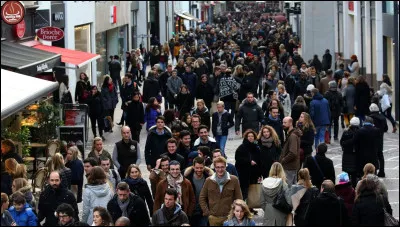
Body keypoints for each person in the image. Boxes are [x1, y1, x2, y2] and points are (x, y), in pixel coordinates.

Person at [199, 156, 243, 226]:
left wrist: (236, 213)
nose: (220, 169)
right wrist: (207, 212)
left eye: (222, 167)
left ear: (226, 167)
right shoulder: (209, 180)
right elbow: (202, 197)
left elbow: (239, 199)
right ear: (214, 167)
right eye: (217, 167)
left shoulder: (234, 180)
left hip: (229, 218)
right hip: (214, 218)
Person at [183, 157, 214, 226]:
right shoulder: (188, 178)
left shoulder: (208, 178)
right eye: (197, 168)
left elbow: (214, 177)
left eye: (201, 168)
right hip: (191, 211)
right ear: (193, 167)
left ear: (204, 167)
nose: (199, 170)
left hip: (203, 211)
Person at [235, 129, 261, 201]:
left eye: (252, 136)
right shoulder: (241, 147)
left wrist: (259, 174)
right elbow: (238, 159)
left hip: (253, 174)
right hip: (244, 174)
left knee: (252, 192)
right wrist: (249, 161)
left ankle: (250, 208)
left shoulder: (256, 147)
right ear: (246, 137)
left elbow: (259, 161)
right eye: (249, 136)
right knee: (244, 192)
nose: (250, 137)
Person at [280, 117, 301, 187]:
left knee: (289, 188)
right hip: (290, 166)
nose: (283, 124)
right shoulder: (290, 134)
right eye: (283, 122)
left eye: (285, 123)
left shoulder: (292, 136)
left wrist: (283, 160)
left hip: (289, 167)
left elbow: (293, 152)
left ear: (291, 123)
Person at [369, 103, 388, 177]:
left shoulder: (370, 118)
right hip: (380, 139)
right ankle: (382, 171)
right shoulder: (383, 118)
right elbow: (386, 129)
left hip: (372, 140)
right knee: (380, 155)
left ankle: (374, 171)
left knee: (373, 156)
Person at [340, 117, 360, 188]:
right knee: (354, 174)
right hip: (356, 156)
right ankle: (354, 188)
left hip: (346, 155)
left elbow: (341, 142)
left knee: (347, 174)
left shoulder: (346, 132)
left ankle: (347, 188)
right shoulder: (359, 132)